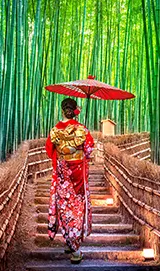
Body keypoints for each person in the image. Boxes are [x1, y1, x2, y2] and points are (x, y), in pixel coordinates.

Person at [45, 98, 94, 264]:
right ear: (75, 110)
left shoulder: (54, 130)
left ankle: (68, 239)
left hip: (62, 172)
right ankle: (75, 249)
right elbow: (88, 150)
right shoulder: (82, 129)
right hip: (78, 173)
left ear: (62, 110)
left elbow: (49, 150)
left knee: (64, 205)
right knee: (77, 207)